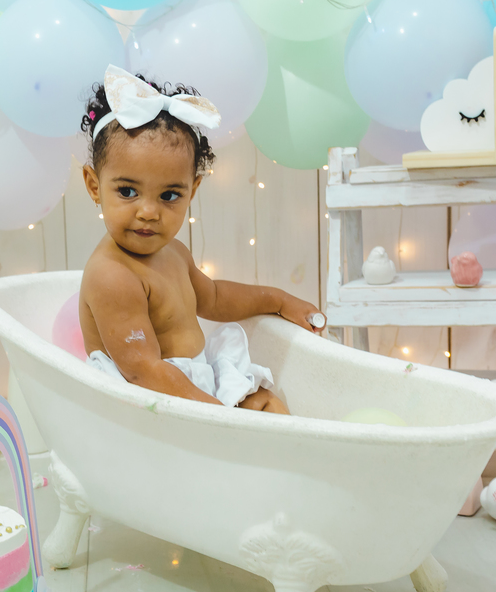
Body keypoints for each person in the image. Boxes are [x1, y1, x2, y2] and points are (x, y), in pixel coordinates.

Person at [78, 65, 326, 415]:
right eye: (128, 191)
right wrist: (220, 416)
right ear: (94, 185)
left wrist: (279, 300)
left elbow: (213, 298)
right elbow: (143, 371)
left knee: (268, 404)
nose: (149, 212)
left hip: (192, 385)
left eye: (169, 195)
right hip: (152, 405)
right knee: (256, 424)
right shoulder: (113, 275)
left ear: (192, 190)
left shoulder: (172, 251)